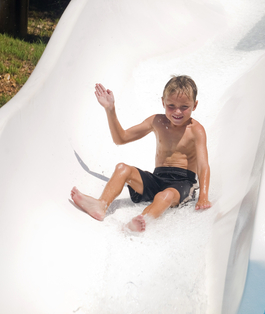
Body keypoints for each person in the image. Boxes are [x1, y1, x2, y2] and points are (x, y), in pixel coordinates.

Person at [71, 75, 211, 232]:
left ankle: (142, 221)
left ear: (195, 105)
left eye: (184, 107)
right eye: (171, 105)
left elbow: (203, 165)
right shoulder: (157, 122)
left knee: (164, 196)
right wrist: (110, 109)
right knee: (122, 168)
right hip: (157, 178)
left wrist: (203, 195)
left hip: (182, 183)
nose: (177, 111)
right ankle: (101, 205)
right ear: (163, 102)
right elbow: (121, 138)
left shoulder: (196, 130)